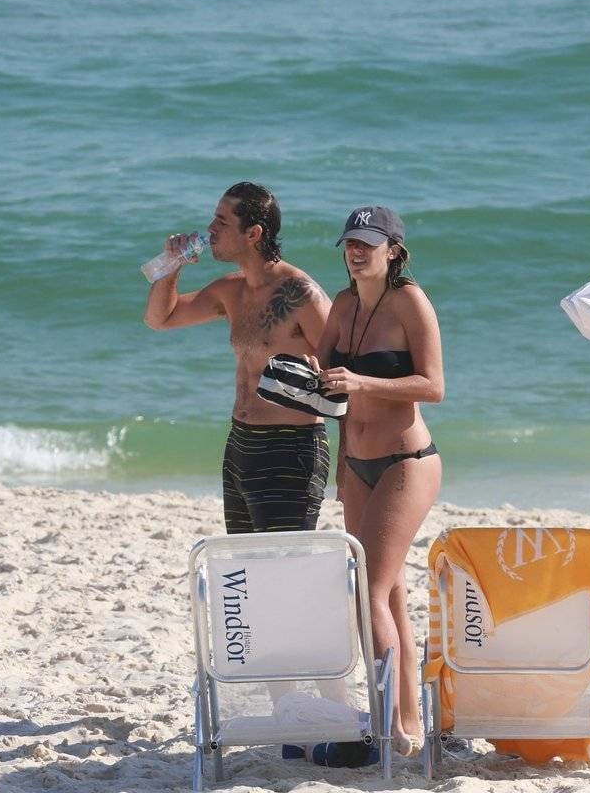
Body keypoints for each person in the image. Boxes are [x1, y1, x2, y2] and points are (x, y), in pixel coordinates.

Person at [308, 206, 444, 757]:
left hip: (405, 462)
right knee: (388, 592)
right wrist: (340, 466)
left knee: (368, 593)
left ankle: (388, 729)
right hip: (357, 464)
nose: (356, 251)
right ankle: (408, 724)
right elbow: (328, 393)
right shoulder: (342, 305)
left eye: (368, 243)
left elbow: (434, 386)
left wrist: (361, 381)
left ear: (394, 249)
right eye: (350, 243)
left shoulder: (411, 302)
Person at [143, 182, 332, 534]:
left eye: (222, 220)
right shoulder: (232, 290)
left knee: (282, 568)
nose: (210, 228)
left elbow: (345, 372)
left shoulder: (301, 294)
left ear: (253, 233)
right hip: (241, 444)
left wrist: (352, 460)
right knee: (246, 564)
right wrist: (173, 265)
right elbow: (160, 318)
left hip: (291, 448)